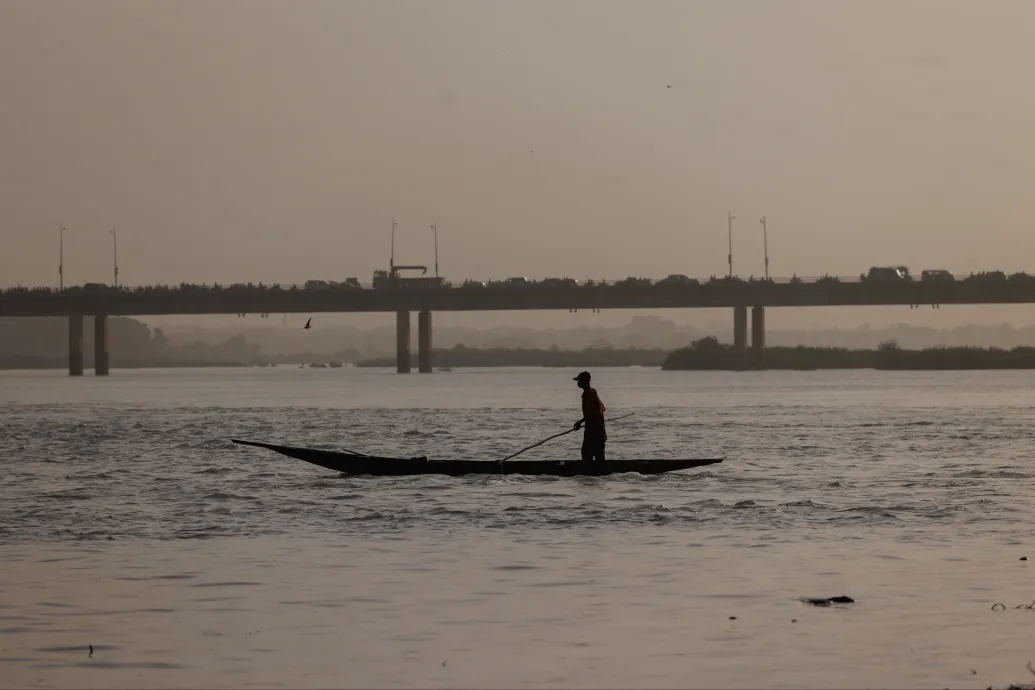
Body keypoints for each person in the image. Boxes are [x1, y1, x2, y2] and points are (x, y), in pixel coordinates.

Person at [572, 371, 606, 462]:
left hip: (594, 431)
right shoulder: (591, 392)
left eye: (579, 381)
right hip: (596, 430)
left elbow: (592, 414)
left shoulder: (589, 394)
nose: (578, 383)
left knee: (587, 454)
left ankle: (592, 473)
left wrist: (579, 423)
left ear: (585, 381)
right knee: (597, 456)